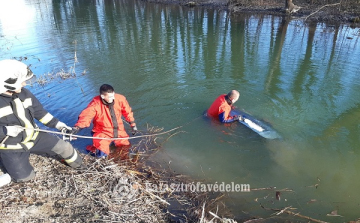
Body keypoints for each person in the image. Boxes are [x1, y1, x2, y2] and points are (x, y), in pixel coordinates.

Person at [0, 59, 84, 183]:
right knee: (25, 178)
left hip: (34, 137)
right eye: (21, 81)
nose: (24, 84)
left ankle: (81, 167)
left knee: (65, 147)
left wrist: (60, 125)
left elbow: (40, 113)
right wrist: (4, 130)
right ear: (7, 82)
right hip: (11, 146)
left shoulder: (25, 93)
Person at [71, 84, 137, 158]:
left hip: (119, 130)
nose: (113, 98)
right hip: (102, 132)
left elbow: (127, 112)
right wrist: (77, 127)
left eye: (113, 95)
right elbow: (86, 116)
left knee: (126, 147)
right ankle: (93, 149)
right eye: (110, 97)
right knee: (101, 155)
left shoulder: (120, 99)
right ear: (103, 96)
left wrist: (133, 124)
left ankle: (117, 155)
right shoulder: (95, 104)